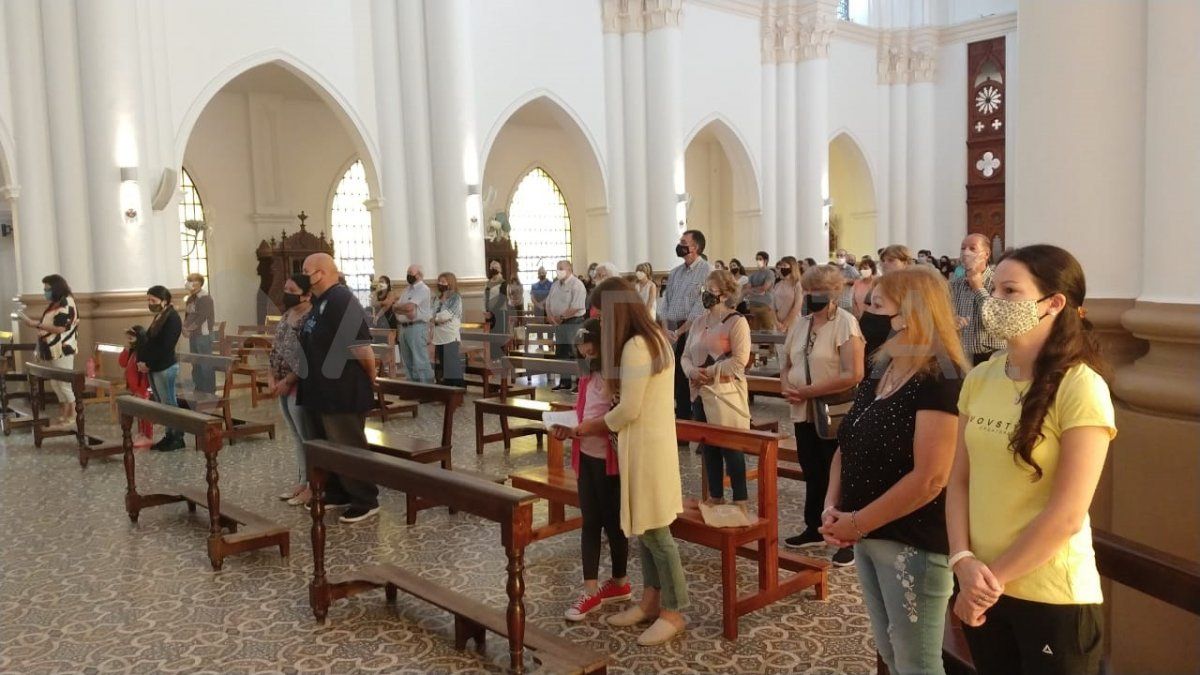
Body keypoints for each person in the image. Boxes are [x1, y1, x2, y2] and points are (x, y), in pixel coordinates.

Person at [948, 245, 1114, 675]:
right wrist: (961, 559)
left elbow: (1066, 515)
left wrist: (986, 584)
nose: (994, 300)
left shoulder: (1081, 386)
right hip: (981, 581)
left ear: (1053, 303)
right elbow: (959, 482)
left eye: (1009, 291)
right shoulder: (981, 376)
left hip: (1050, 595)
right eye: (993, 288)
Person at [819, 266, 968, 674]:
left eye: (878, 306)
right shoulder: (883, 368)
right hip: (865, 530)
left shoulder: (942, 377)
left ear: (914, 312)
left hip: (911, 540)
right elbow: (846, 443)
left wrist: (857, 522)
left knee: (916, 662)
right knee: (888, 650)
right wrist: (833, 506)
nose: (869, 315)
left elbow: (931, 478)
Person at [573, 277, 686, 646]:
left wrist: (588, 427)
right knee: (647, 528)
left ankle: (673, 611)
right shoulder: (650, 337)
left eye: (604, 316)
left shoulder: (638, 346)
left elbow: (629, 409)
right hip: (646, 445)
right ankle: (651, 601)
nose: (602, 323)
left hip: (646, 448)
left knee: (657, 533)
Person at [780, 264, 864, 566]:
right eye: (810, 292)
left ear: (833, 294)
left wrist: (809, 391)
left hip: (834, 411)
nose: (813, 297)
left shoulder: (845, 323)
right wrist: (788, 384)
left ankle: (847, 537)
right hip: (803, 411)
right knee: (812, 470)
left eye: (820, 293)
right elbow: (787, 363)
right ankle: (814, 527)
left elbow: (853, 373)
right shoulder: (800, 324)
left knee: (839, 475)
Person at [550, 319, 631, 621]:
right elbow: (583, 411)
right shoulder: (586, 376)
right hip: (585, 456)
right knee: (590, 522)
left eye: (590, 352)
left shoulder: (616, 376)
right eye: (581, 353)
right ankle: (590, 590)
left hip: (609, 459)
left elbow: (616, 417)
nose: (586, 357)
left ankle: (621, 582)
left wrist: (582, 428)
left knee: (613, 523)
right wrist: (567, 426)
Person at [297, 253, 380, 524]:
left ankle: (365, 498)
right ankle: (337, 491)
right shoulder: (319, 302)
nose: (302, 276)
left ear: (320, 273)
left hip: (340, 389)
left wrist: (371, 376)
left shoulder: (341, 299)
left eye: (305, 271)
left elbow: (360, 347)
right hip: (318, 389)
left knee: (347, 444)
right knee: (324, 446)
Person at [680, 270, 751, 509]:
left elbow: (740, 360)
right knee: (707, 445)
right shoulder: (699, 322)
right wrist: (691, 371)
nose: (704, 295)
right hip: (700, 392)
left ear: (724, 294)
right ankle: (715, 495)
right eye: (704, 290)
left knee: (730, 446)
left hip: (723, 391)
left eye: (709, 290)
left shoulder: (736, 321)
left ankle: (740, 499)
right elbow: (686, 355)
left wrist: (707, 373)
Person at [269, 274, 316, 506]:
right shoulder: (288, 314)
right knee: (296, 436)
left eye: (291, 289)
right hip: (282, 382)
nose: (286, 293)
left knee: (307, 436)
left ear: (307, 294)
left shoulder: (310, 317)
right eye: (285, 288)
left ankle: (312, 486)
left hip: (300, 384)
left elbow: (307, 355)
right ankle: (302, 480)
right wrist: (271, 375)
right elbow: (276, 345)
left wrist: (288, 380)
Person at [660, 230, 712, 423]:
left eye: (684, 242)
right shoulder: (675, 272)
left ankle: (694, 419)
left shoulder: (707, 271)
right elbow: (665, 301)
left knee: (687, 374)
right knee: (672, 374)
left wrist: (681, 331)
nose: (680, 245)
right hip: (671, 328)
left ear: (695, 247)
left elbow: (700, 305)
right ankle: (679, 416)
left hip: (693, 328)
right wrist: (665, 327)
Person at [18, 275, 79, 429]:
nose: (45, 292)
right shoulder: (55, 303)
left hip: (62, 348)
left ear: (56, 288)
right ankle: (64, 414)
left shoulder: (66, 302)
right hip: (52, 348)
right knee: (55, 383)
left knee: (64, 383)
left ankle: (73, 416)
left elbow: (60, 328)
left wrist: (36, 324)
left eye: (47, 289)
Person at [140, 286, 185, 451]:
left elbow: (165, 346)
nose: (150, 303)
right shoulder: (160, 316)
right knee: (162, 404)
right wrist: (142, 360)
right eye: (148, 300)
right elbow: (150, 341)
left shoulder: (172, 318)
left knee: (169, 403)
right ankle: (169, 435)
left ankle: (177, 437)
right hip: (156, 366)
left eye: (153, 300)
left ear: (164, 301)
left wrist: (148, 363)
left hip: (165, 366)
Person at [950, 233, 1005, 365]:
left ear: (986, 254)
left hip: (993, 356)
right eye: (963, 248)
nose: (966, 253)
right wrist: (951, 320)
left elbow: (999, 318)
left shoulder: (998, 282)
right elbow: (945, 313)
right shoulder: (955, 284)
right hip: (963, 356)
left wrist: (978, 288)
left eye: (972, 248)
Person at [546, 260, 587, 390]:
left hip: (573, 321)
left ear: (569, 270)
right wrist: (550, 316)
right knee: (561, 352)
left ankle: (581, 384)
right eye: (557, 268)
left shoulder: (577, 284)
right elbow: (548, 301)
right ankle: (564, 382)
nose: (558, 271)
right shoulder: (555, 285)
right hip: (559, 323)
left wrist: (561, 317)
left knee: (575, 352)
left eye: (561, 268)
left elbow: (576, 306)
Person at [394, 265, 434, 383]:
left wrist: (402, 308)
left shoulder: (423, 289)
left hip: (417, 327)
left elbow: (409, 307)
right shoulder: (407, 289)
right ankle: (413, 389)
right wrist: (404, 309)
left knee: (420, 360)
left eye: (411, 272)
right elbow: (395, 308)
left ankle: (427, 390)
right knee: (407, 361)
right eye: (407, 272)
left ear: (419, 275)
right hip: (404, 327)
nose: (408, 275)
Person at [118, 325, 154, 449]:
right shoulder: (132, 351)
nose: (129, 338)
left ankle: (148, 435)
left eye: (132, 336)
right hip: (134, 388)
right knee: (139, 412)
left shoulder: (143, 351)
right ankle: (141, 433)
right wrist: (126, 349)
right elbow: (122, 363)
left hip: (142, 387)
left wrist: (143, 388)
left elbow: (144, 372)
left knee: (145, 412)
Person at [182, 273, 216, 394]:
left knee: (205, 364)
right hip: (193, 335)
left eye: (193, 281)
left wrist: (190, 328)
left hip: (203, 335)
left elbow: (202, 317)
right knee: (195, 362)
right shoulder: (191, 298)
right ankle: (199, 389)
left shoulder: (205, 297)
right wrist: (184, 328)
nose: (190, 284)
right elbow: (188, 315)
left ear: (199, 283)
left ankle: (209, 391)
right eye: (189, 281)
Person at [773, 256, 802, 332]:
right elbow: (772, 306)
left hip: (793, 323)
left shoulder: (798, 284)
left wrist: (785, 324)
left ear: (792, 267)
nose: (782, 268)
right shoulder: (777, 285)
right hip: (777, 324)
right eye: (781, 266)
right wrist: (777, 323)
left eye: (785, 265)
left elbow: (797, 305)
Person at [483, 260, 505, 331]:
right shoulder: (488, 283)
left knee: (499, 335)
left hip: (499, 313)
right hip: (489, 314)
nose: (493, 269)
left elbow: (502, 300)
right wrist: (486, 310)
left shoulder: (503, 283)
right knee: (490, 336)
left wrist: (492, 312)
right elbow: (485, 298)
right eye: (492, 268)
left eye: (495, 268)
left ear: (499, 269)